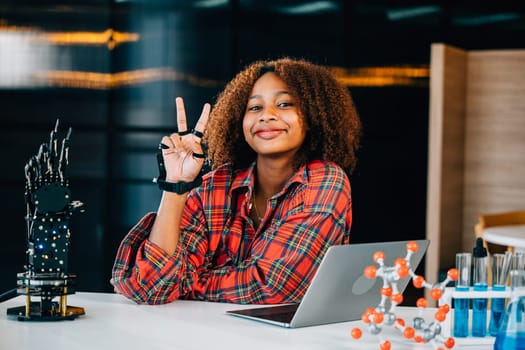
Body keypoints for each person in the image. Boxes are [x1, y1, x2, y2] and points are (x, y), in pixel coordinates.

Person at [111, 57, 362, 305]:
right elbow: (153, 286)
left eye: (284, 104)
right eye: (254, 107)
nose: (267, 116)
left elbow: (272, 285)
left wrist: (185, 284)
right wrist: (176, 186)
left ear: (314, 116)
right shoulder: (214, 187)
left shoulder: (325, 181)